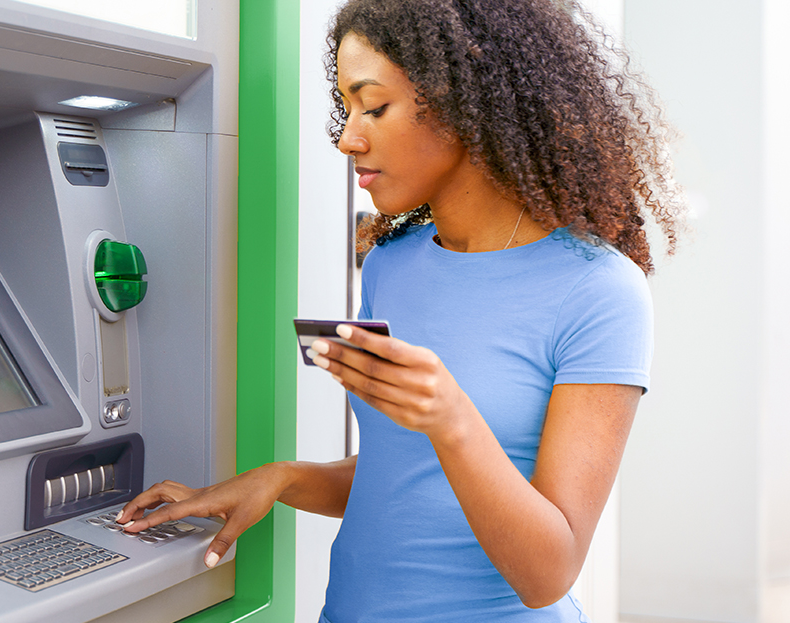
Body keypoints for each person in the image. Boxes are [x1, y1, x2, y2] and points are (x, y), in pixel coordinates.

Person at [116, 0, 685, 620]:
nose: (347, 137)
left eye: (375, 106)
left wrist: (452, 417)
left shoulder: (600, 291)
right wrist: (280, 477)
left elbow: (548, 573)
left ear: (465, 104)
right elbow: (406, 475)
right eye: (348, 106)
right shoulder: (394, 265)